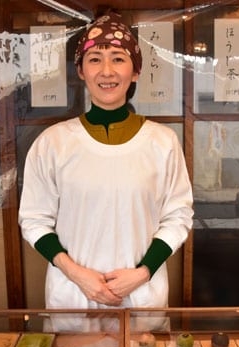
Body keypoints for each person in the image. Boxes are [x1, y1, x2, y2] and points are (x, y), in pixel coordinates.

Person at [18, 10, 193, 310]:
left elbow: (178, 216)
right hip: (73, 296)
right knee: (75, 344)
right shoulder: (53, 143)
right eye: (95, 59)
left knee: (141, 343)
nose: (107, 71)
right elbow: (34, 220)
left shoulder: (162, 142)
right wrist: (76, 274)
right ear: (81, 70)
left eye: (118, 58)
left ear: (135, 71)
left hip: (141, 297)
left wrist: (142, 272)